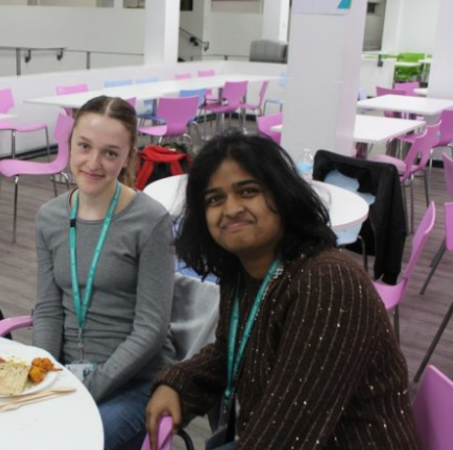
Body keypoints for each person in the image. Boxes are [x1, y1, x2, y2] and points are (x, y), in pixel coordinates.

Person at [145, 130, 424, 450]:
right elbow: (228, 351)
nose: (231, 209)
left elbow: (286, 435)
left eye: (247, 191)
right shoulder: (243, 272)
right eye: (215, 199)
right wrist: (177, 383)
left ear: (282, 196)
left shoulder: (327, 284)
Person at [32, 96, 177, 450]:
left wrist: (88, 389)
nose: (93, 163)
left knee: (71, 444)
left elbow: (151, 329)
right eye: (84, 146)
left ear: (127, 156)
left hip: (135, 381)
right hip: (67, 372)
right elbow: (48, 310)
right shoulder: (50, 217)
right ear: (69, 144)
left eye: (110, 153)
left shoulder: (150, 221)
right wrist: (45, 375)